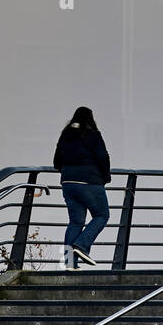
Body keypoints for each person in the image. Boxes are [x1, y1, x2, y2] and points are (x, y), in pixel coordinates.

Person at [53, 106, 111, 269]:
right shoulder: (93, 135)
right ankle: (81, 246)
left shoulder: (66, 134)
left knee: (75, 222)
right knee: (101, 215)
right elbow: (102, 157)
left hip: (68, 183)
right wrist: (105, 177)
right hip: (90, 182)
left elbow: (57, 161)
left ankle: (69, 263)